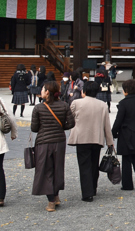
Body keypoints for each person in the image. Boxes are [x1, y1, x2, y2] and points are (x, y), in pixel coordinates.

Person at [30, 81, 75, 212]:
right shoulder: (64, 105)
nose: (41, 91)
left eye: (43, 89)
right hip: (59, 141)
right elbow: (71, 123)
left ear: (47, 92)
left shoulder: (38, 108)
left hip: (44, 142)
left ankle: (51, 201)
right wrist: (60, 127)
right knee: (57, 168)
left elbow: (34, 128)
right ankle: (55, 195)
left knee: (45, 170)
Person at [68, 80, 115, 201]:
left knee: (84, 166)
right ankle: (93, 188)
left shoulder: (76, 103)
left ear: (84, 91)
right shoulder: (102, 105)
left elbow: (69, 119)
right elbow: (107, 125)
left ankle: (87, 193)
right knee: (94, 165)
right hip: (96, 138)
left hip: (81, 138)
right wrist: (110, 142)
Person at [112, 79, 135, 190]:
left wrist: (113, 133)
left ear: (126, 90)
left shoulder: (123, 103)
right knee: (134, 154)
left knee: (126, 158)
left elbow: (118, 120)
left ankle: (127, 184)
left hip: (126, 133)